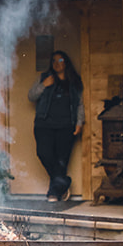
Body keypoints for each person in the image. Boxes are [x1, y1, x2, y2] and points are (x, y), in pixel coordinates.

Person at [28, 50, 84, 200]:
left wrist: (79, 123)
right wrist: (43, 85)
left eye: (60, 60)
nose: (57, 64)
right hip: (44, 125)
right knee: (43, 153)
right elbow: (31, 96)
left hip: (66, 126)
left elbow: (80, 104)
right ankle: (63, 183)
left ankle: (54, 193)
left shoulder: (74, 81)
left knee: (61, 160)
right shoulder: (44, 78)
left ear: (66, 63)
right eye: (54, 61)